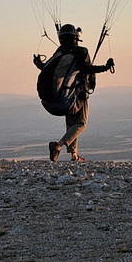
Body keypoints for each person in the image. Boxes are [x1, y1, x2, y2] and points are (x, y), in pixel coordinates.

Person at [33, 25, 114, 162]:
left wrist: (38, 64)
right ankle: (58, 146)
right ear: (76, 38)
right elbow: (86, 69)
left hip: (59, 97)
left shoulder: (59, 52)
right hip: (75, 95)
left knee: (71, 124)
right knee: (81, 123)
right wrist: (105, 67)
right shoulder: (81, 51)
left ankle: (74, 155)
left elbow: (47, 68)